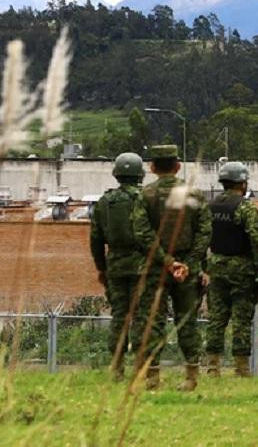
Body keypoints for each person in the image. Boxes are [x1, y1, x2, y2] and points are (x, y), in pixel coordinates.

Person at [141, 144, 212, 391]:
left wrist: (167, 262)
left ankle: (152, 377)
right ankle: (191, 377)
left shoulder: (145, 195)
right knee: (187, 322)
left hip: (156, 268)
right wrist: (189, 263)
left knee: (154, 321)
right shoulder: (193, 194)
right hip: (187, 270)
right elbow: (205, 231)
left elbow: (142, 234)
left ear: (152, 167)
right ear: (178, 166)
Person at [90, 152, 155, 381]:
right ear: (140, 174)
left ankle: (116, 368)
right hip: (143, 266)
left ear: (116, 173)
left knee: (119, 316)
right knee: (142, 316)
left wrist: (102, 268)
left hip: (115, 266)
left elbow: (96, 239)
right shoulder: (147, 198)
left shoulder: (104, 202)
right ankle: (141, 368)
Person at [204, 162, 258, 378]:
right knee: (241, 318)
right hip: (242, 269)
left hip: (217, 266)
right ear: (242, 183)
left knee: (216, 318)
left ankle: (213, 367)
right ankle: (241, 368)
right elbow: (257, 240)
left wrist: (206, 266)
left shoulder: (210, 207)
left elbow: (201, 239)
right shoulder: (245, 207)